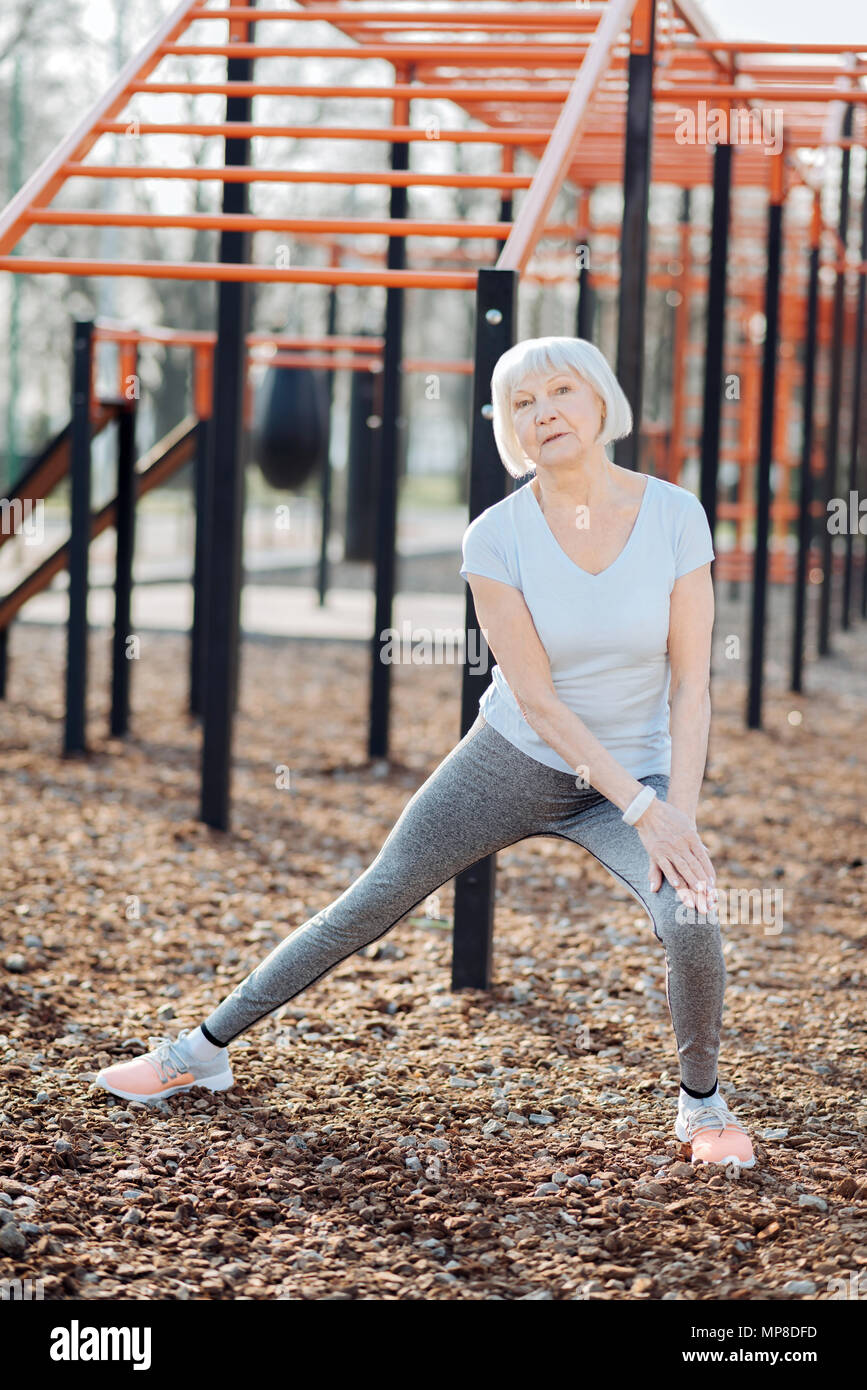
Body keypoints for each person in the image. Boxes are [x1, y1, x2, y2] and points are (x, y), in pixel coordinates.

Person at [94, 334, 753, 1169]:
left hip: (638, 776)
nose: (543, 412)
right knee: (369, 901)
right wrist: (644, 811)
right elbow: (541, 703)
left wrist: (674, 819)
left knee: (692, 916)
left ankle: (701, 1106)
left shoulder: (673, 515)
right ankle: (199, 1051)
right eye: (521, 403)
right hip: (514, 759)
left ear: (600, 402)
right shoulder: (496, 537)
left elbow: (692, 685)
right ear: (508, 429)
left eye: (559, 392)